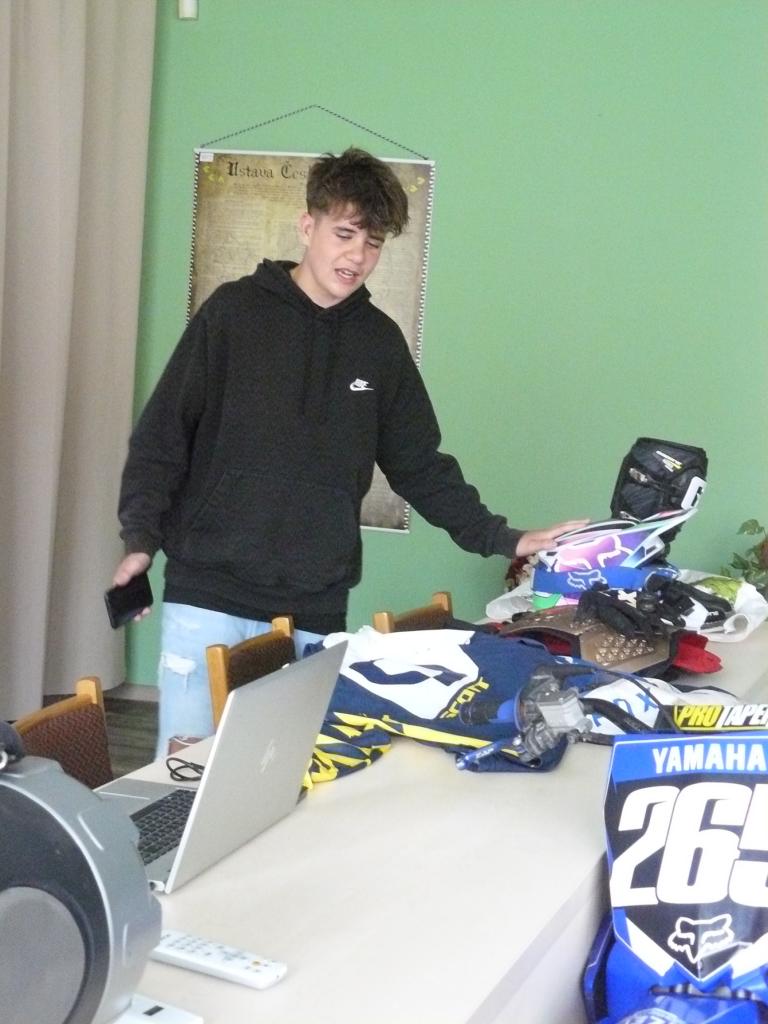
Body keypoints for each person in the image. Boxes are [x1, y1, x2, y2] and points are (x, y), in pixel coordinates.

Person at [114, 147, 585, 756]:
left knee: (290, 776)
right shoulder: (231, 314)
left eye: (373, 242)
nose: (358, 256)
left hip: (314, 603)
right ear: (306, 226)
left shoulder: (380, 344)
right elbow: (162, 436)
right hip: (208, 593)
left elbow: (420, 465)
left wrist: (503, 537)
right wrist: (140, 538)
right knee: (186, 777)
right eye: (345, 234)